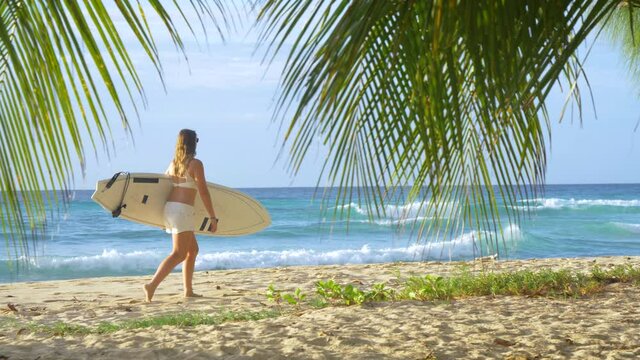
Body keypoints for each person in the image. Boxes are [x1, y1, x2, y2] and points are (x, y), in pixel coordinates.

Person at [143, 129, 217, 302]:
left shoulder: (173, 164)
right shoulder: (195, 164)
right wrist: (212, 217)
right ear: (193, 143)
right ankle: (151, 285)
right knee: (178, 253)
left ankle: (188, 290)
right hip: (182, 210)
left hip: (171, 208)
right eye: (197, 140)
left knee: (192, 250)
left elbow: (162, 189)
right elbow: (204, 192)